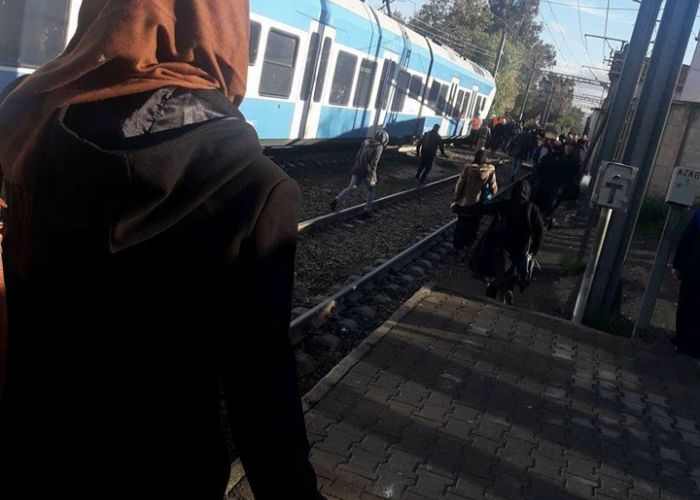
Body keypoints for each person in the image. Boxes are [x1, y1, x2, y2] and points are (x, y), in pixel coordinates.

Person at [0, 2, 321, 499]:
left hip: (34, 459)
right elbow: (260, 390)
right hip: (166, 474)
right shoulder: (258, 190)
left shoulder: (29, 138)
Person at [456, 180, 543, 305]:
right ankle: (508, 291)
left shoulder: (504, 205)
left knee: (485, 264)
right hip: (518, 249)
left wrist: (462, 209)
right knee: (514, 273)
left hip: (498, 245)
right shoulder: (531, 209)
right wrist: (534, 250)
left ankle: (489, 294)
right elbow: (539, 231)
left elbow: (483, 208)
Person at [331, 129, 389, 215]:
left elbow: (358, 155)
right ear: (384, 139)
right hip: (367, 171)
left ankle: (337, 200)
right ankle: (367, 210)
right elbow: (374, 162)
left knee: (351, 187)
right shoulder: (379, 147)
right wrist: (373, 176)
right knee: (371, 190)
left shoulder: (366, 142)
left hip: (357, 168)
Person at [451, 162, 498, 255]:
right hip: (479, 206)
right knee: (474, 227)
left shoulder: (468, 170)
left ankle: (457, 246)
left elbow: (459, 186)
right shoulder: (490, 172)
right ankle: (467, 246)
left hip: (465, 204)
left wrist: (456, 199)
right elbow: (494, 189)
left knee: (461, 225)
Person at [672, 209, 700, 358]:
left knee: (687, 304)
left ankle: (683, 342)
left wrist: (678, 265)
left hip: (694, 267)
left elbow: (687, 238)